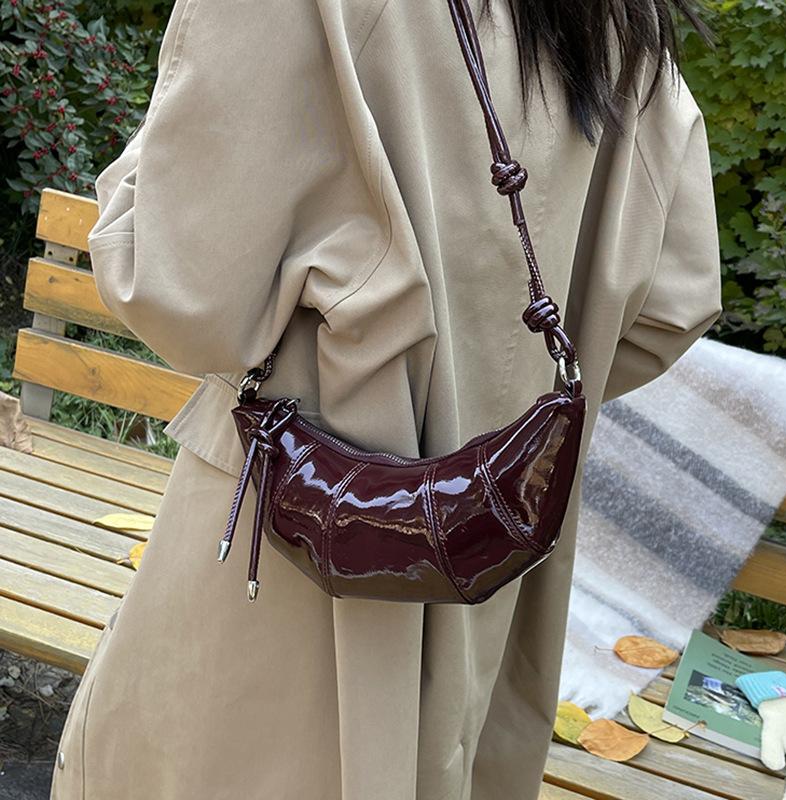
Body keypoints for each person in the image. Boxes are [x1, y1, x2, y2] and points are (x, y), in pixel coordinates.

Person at [50, 1, 722, 798]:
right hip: (496, 569)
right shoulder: (620, 22)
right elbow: (673, 305)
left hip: (288, 558)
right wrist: (511, 410)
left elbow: (179, 290)